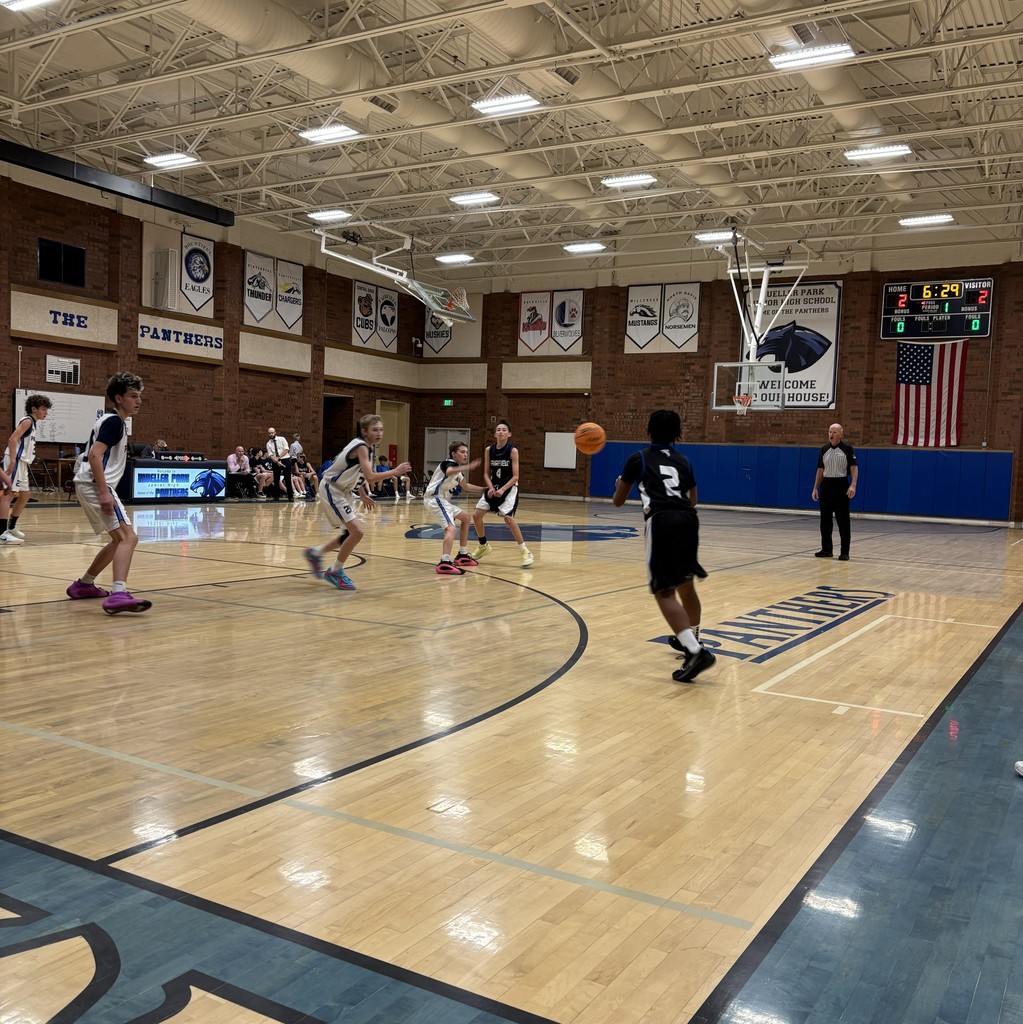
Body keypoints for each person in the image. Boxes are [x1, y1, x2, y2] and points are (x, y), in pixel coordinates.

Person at [612, 409, 714, 683]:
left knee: (664, 592)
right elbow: (693, 499)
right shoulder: (684, 460)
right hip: (689, 520)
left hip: (662, 521)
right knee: (686, 584)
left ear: (649, 430)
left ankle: (694, 650)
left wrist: (619, 485)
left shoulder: (640, 458)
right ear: (677, 433)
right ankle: (691, 637)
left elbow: (618, 501)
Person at [66, 372, 152, 614]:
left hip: (87, 483)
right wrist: (104, 492)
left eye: (140, 396)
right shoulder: (113, 422)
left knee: (118, 540)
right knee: (129, 538)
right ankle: (118, 593)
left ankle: (84, 584)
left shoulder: (112, 421)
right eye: (133, 396)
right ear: (118, 398)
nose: (139, 401)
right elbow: (95, 455)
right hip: (95, 484)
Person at [303, 415, 411, 590]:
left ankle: (315, 553)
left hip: (344, 491)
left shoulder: (363, 446)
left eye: (381, 429)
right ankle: (335, 571)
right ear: (364, 431)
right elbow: (369, 476)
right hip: (333, 489)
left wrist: (361, 493)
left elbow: (355, 472)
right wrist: (395, 471)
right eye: (375, 430)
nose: (379, 433)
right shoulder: (362, 447)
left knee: (349, 535)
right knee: (358, 531)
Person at [471, 419, 533, 568]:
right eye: (498, 429)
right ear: (495, 433)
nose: (500, 431)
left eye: (504, 429)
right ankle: (483, 545)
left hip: (509, 488)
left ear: (509, 434)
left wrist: (502, 489)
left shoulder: (512, 451)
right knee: (476, 515)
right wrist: (491, 487)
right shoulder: (489, 450)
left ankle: (525, 551)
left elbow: (516, 476)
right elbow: (486, 473)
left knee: (508, 519)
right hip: (494, 487)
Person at [424, 440, 486, 575]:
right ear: (453, 454)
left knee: (466, 517)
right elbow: (450, 470)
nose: (465, 455)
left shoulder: (458, 472)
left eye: (466, 452)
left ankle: (462, 554)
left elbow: (466, 486)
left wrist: (484, 489)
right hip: (434, 499)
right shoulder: (447, 463)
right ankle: (444, 562)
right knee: (451, 529)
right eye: (462, 452)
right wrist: (468, 467)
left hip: (442, 501)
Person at [1, 393, 53, 544]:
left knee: (25, 495)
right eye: (43, 409)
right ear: (34, 409)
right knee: (8, 495)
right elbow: (12, 439)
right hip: (16, 461)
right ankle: (1, 533)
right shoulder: (28, 421)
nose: (46, 412)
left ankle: (10, 527)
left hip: (22, 463)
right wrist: (11, 460)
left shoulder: (33, 423)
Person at [812, 422, 858, 561]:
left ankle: (844, 552)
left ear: (841, 434)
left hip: (841, 485)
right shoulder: (824, 449)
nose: (831, 434)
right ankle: (826, 549)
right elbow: (820, 470)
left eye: (834, 432)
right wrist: (815, 487)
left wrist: (853, 485)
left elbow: (854, 468)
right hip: (826, 485)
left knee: (843, 520)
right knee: (825, 520)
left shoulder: (847, 449)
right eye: (830, 431)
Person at [266, 426, 293, 501]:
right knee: (276, 478)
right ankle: (276, 496)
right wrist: (275, 460)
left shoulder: (282, 439)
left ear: (275, 432)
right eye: (269, 433)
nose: (271, 434)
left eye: (272, 433)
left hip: (285, 459)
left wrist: (279, 458)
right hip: (275, 461)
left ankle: (290, 496)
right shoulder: (268, 443)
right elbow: (270, 454)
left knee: (287, 478)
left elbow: (286, 450)